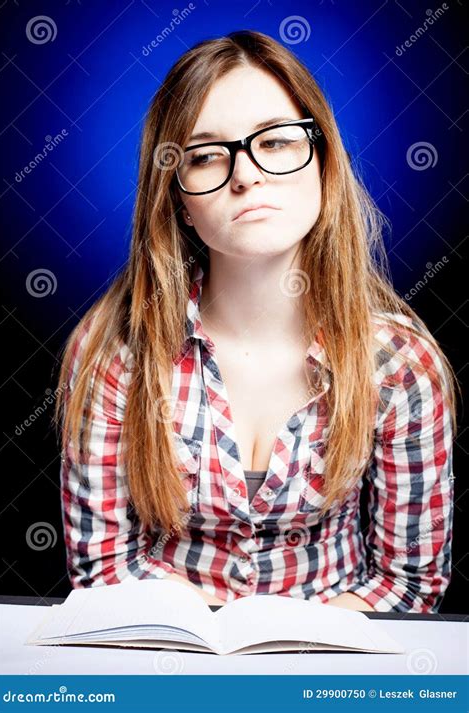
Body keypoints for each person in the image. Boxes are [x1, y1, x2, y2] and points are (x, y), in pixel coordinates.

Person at [55, 30, 458, 612]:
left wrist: (292, 654)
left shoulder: (399, 366)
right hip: (164, 667)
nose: (245, 175)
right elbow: (103, 567)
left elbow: (410, 583)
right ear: (178, 201)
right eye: (206, 155)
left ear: (324, 161)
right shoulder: (113, 352)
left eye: (275, 141)